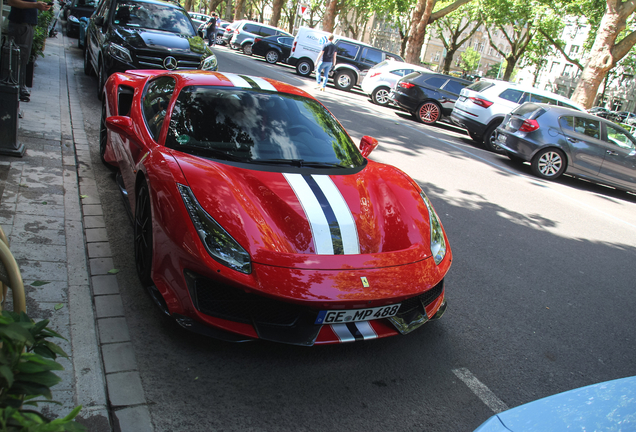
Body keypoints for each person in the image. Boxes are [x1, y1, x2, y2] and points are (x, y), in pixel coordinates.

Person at [6, 0, 51, 102]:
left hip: (26, 25)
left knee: (23, 57)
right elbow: (12, 1)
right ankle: (16, 88)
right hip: (20, 25)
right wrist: (35, 5)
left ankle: (19, 87)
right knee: (18, 57)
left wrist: (39, 5)